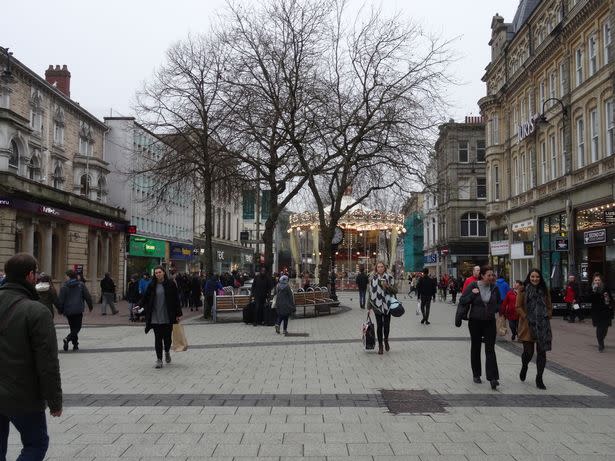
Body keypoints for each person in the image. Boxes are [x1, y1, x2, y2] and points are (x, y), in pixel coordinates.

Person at [0, 253, 63, 461]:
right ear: (30, 276)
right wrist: (54, 401)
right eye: (35, 273)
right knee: (36, 444)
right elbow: (47, 362)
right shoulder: (36, 311)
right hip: (23, 394)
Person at [456, 265, 501, 390]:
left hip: (489, 321)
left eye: (493, 275)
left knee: (490, 349)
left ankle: (493, 378)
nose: (491, 277)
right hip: (475, 321)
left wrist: (494, 309)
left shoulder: (494, 288)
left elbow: (499, 303)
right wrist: (472, 295)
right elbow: (463, 300)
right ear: (482, 275)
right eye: (489, 275)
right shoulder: (473, 286)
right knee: (476, 347)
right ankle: (476, 374)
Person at [516, 268, 553, 390]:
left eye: (537, 277)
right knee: (529, 352)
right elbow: (518, 306)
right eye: (532, 277)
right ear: (529, 277)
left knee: (542, 353)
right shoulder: (523, 290)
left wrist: (548, 314)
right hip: (528, 325)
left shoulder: (544, 290)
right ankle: (524, 365)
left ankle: (539, 378)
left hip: (542, 325)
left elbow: (548, 305)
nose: (535, 279)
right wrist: (526, 317)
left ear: (540, 278)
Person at [141, 266, 182, 368]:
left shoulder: (170, 284)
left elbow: (176, 299)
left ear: (164, 273)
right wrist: (139, 305)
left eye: (159, 272)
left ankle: (167, 351)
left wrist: (178, 314)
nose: (158, 274)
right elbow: (145, 298)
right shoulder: (152, 285)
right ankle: (159, 359)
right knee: (158, 339)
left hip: (167, 316)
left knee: (167, 339)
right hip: (155, 316)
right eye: (156, 273)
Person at [57, 269, 94, 351]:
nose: (65, 277)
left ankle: (75, 344)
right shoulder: (81, 285)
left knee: (73, 327)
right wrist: (90, 306)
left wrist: (60, 310)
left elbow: (61, 300)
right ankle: (68, 339)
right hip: (78, 309)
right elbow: (87, 296)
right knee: (77, 328)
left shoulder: (64, 286)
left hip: (68, 311)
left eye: (66, 276)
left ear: (69, 276)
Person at [368, 261, 396, 355]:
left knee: (387, 325)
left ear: (384, 268)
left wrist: (387, 286)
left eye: (382, 267)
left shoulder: (390, 277)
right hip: (376, 305)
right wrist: (369, 307)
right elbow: (370, 293)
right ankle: (380, 345)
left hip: (387, 304)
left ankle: (386, 340)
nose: (380, 268)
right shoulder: (372, 278)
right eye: (378, 267)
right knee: (379, 325)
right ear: (376, 268)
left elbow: (395, 291)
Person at [589, 273, 613, 352]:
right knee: (599, 328)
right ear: (593, 281)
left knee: (605, 328)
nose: (597, 281)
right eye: (596, 280)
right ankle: (600, 344)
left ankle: (601, 339)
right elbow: (590, 299)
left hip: (606, 311)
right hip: (597, 312)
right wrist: (594, 290)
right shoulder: (592, 289)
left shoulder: (605, 287)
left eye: (598, 280)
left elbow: (610, 298)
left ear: (601, 280)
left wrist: (611, 305)